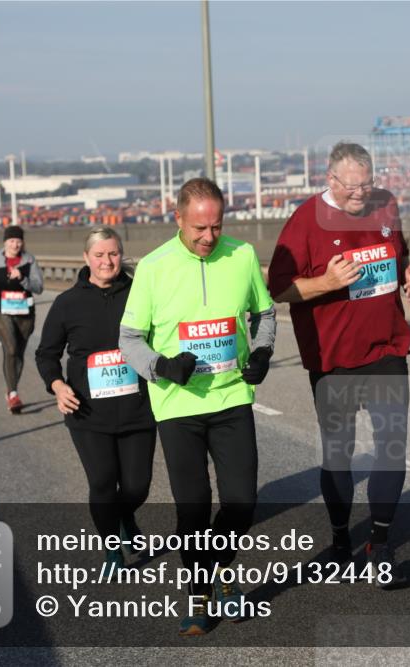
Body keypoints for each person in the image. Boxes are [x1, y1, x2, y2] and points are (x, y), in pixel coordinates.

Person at [119, 177, 276, 636]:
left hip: (231, 398)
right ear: (178, 220)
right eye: (198, 229)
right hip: (177, 405)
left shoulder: (241, 255)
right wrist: (163, 367)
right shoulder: (153, 266)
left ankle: (219, 567)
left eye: (216, 226)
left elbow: (263, 314)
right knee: (193, 509)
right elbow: (129, 340)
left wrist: (262, 353)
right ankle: (201, 593)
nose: (208, 237)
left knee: (242, 502)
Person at [267, 141, 410, 588]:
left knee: (392, 444)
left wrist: (408, 274)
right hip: (333, 360)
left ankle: (380, 543)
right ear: (330, 181)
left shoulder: (386, 206)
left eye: (367, 185)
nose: (360, 195)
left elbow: (400, 253)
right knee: (340, 454)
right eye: (352, 188)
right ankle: (339, 541)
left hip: (387, 349)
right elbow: (280, 290)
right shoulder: (304, 222)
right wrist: (327, 282)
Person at [35, 227, 156, 570]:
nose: (107, 261)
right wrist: (57, 385)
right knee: (102, 482)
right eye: (99, 255)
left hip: (138, 409)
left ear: (122, 255)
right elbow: (46, 354)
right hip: (87, 412)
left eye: (113, 253)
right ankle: (112, 549)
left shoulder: (140, 294)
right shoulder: (67, 303)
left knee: (137, 486)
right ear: (86, 258)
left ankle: (125, 515)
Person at [0, 225, 44, 413]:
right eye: (12, 241)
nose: (15, 244)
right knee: (12, 347)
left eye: (18, 241)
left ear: (22, 242)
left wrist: (22, 277)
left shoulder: (28, 260)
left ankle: (11, 392)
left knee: (18, 353)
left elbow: (39, 287)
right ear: (5, 242)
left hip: (25, 312)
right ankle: (14, 394)